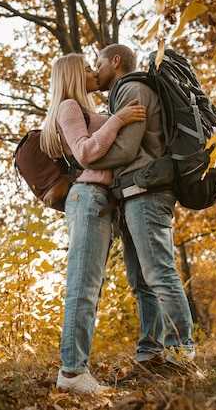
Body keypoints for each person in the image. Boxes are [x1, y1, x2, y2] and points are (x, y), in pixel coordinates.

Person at [87, 44, 196, 380]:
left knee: (159, 273)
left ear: (115, 61)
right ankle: (151, 358)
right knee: (141, 282)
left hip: (147, 193)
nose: (96, 69)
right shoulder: (124, 90)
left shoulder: (133, 88)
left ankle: (182, 357)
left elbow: (126, 148)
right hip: (133, 194)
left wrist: (84, 162)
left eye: (99, 63)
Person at [40, 53, 147, 393]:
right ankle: (72, 373)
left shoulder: (83, 109)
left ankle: (75, 369)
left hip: (100, 202)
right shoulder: (69, 107)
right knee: (82, 285)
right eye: (87, 68)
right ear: (73, 75)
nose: (93, 71)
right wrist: (118, 120)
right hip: (86, 199)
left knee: (91, 285)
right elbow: (85, 153)